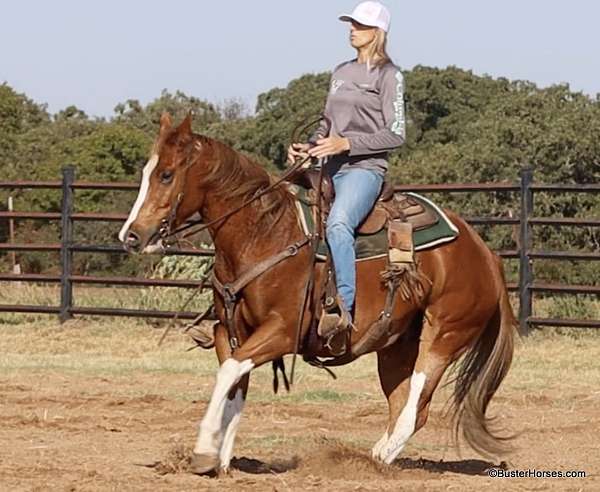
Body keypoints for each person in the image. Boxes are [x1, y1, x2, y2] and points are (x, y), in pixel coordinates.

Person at [287, 1, 406, 341]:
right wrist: (309, 148)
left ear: (377, 33)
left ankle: (343, 308)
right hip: (326, 167)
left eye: (359, 25)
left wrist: (346, 145)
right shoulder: (340, 72)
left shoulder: (389, 76)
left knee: (338, 223)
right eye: (351, 24)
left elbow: (396, 134)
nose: (352, 29)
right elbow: (326, 126)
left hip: (364, 169)